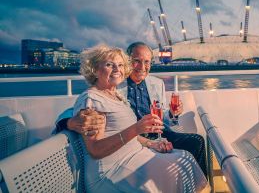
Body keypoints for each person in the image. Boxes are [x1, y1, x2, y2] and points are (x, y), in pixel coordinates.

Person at [55, 42, 207, 175]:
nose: (143, 67)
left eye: (147, 62)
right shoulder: (113, 83)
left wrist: (173, 114)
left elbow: (163, 116)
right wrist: (69, 123)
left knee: (197, 142)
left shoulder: (157, 84)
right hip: (133, 138)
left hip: (157, 134)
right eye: (137, 61)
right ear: (128, 62)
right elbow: (80, 109)